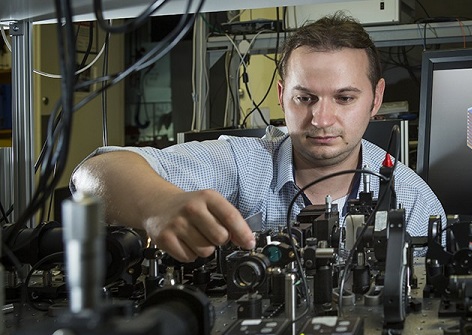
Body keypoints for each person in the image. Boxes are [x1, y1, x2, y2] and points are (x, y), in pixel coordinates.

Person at [71, 12, 445, 263]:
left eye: (345, 98)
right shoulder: (243, 163)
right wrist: (158, 205)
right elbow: (91, 173)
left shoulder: (412, 201)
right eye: (305, 98)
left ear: (376, 98)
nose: (321, 118)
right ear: (282, 95)